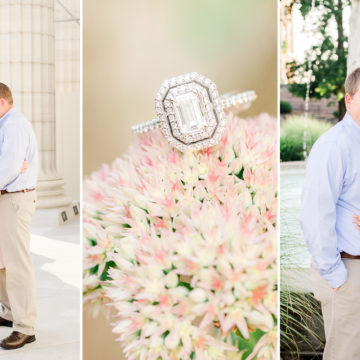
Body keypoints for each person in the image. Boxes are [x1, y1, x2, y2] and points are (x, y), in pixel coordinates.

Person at [300, 67, 360, 359]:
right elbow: (314, 215)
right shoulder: (335, 145)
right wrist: (336, 276)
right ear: (349, 100)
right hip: (349, 270)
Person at [0, 82, 38, 349]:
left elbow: (9, 167)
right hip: (7, 197)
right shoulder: (5, 125)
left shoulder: (13, 125)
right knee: (2, 261)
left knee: (16, 262)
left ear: (2, 102)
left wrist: (15, 167)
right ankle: (10, 311)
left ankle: (25, 327)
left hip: (15, 199)